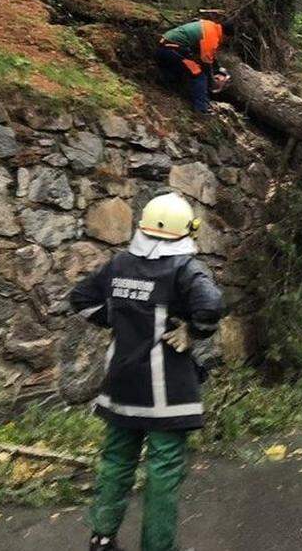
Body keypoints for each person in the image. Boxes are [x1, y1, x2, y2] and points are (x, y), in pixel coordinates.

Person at [70, 192, 225, 551]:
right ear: (187, 231)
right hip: (166, 393)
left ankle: (102, 538)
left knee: (115, 462)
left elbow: (81, 298)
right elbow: (211, 306)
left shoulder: (119, 264)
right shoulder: (185, 268)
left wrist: (120, 320)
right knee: (163, 472)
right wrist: (193, 331)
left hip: (121, 387)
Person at [156, 18, 234, 113]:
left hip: (168, 47)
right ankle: (201, 109)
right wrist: (212, 83)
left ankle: (167, 84)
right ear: (227, 36)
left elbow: (209, 56)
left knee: (188, 66)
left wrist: (217, 69)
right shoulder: (212, 37)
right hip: (171, 49)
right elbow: (206, 63)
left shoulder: (209, 25)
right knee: (199, 75)